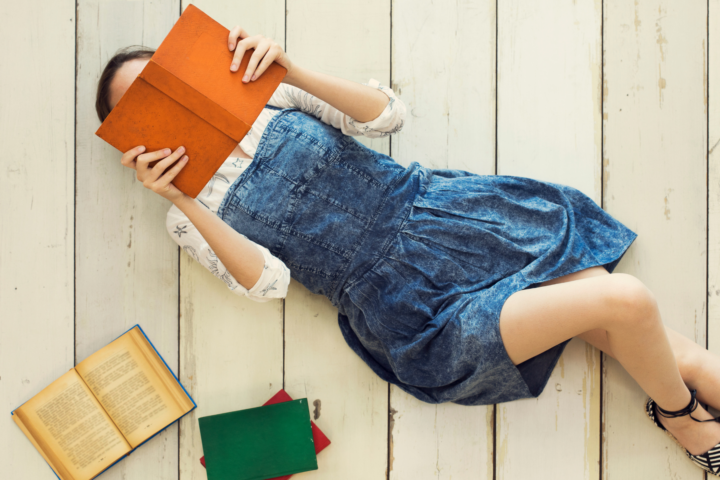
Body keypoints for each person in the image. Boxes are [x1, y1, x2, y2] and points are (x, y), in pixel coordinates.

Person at [95, 26, 720, 476]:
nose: (164, 104)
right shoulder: (185, 220)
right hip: (408, 308)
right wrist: (184, 199)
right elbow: (267, 282)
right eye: (139, 107)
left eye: (162, 81)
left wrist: (291, 68)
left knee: (678, 351)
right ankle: (685, 421)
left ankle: (685, 414)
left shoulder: (271, 97)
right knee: (627, 301)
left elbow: (388, 116)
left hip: (460, 222)